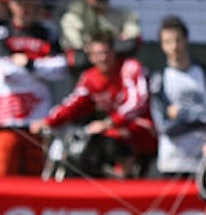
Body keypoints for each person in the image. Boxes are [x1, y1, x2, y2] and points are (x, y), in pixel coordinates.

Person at [29, 29, 156, 178]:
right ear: (90, 57)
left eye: (106, 53)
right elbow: (74, 103)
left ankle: (127, 176)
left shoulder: (130, 67)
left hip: (142, 132)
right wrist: (48, 121)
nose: (102, 58)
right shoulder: (90, 78)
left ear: (114, 52)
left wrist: (109, 122)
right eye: (97, 54)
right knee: (88, 143)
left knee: (110, 138)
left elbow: (137, 102)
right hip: (111, 133)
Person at [0, 0, 69, 177]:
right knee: (2, 171)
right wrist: (41, 66)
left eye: (28, 2)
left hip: (37, 119)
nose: (24, 7)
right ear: (10, 4)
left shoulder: (48, 33)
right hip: (7, 117)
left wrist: (28, 63)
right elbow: (5, 71)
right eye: (19, 2)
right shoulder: (1, 32)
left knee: (37, 173)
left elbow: (60, 69)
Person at [147, 15, 206, 178]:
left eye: (178, 40)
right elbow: (164, 126)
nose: (174, 47)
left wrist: (183, 113)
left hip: (205, 161)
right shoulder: (159, 81)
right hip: (173, 162)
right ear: (162, 45)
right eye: (168, 42)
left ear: (186, 41)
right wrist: (203, 118)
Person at [57, 0, 142, 70]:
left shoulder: (124, 15)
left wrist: (93, 49)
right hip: (87, 77)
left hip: (118, 75)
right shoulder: (73, 17)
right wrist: (113, 46)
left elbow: (131, 43)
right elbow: (77, 55)